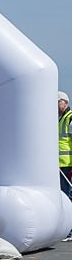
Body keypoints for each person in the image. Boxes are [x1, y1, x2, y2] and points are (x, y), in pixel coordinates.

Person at [59, 91, 72, 241]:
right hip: (62, 164)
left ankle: (69, 230)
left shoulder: (69, 118)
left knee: (68, 196)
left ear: (65, 102)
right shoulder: (60, 119)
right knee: (64, 196)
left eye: (58, 103)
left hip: (68, 163)